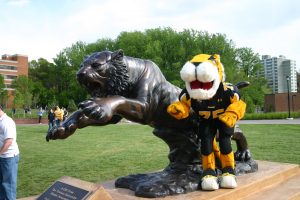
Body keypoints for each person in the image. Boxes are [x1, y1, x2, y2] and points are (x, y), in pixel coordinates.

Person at [0, 105, 20, 199]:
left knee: (8, 187)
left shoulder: (6, 122)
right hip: (2, 157)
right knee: (2, 185)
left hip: (9, 158)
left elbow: (8, 141)